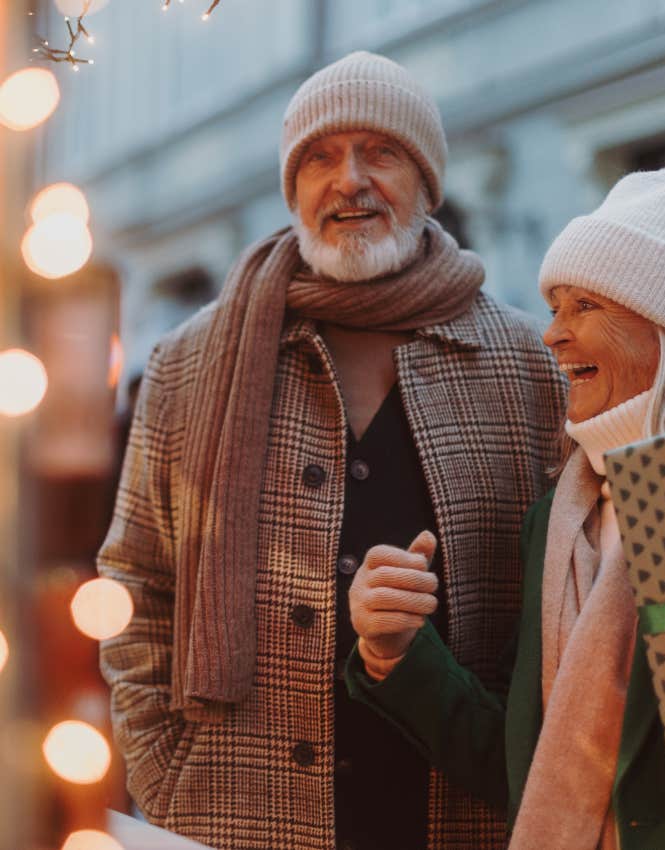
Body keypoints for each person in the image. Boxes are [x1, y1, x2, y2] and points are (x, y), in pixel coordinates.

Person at [97, 52, 567, 850]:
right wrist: (159, 768)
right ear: (293, 188)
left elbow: (566, 594)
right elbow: (135, 583)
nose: (348, 179)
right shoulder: (188, 364)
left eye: (379, 152)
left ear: (426, 181)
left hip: (461, 808)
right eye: (319, 156)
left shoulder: (528, 364)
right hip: (238, 809)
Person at [347, 159, 665, 849]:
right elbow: (535, 773)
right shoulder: (557, 523)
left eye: (587, 306)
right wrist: (398, 653)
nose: (552, 333)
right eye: (555, 307)